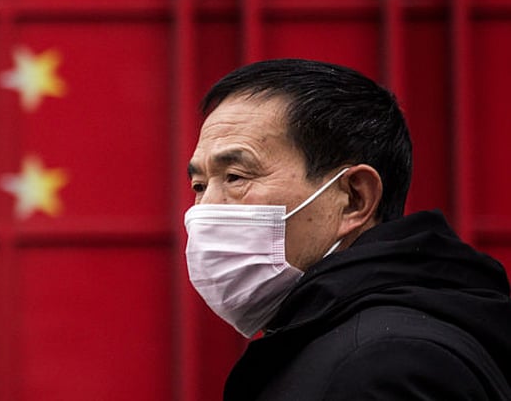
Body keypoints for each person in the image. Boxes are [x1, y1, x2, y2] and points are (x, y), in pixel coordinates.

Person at [184, 59, 511, 400]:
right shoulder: (337, 343)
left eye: (235, 177)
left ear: (355, 197)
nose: (206, 209)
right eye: (199, 185)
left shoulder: (383, 367)